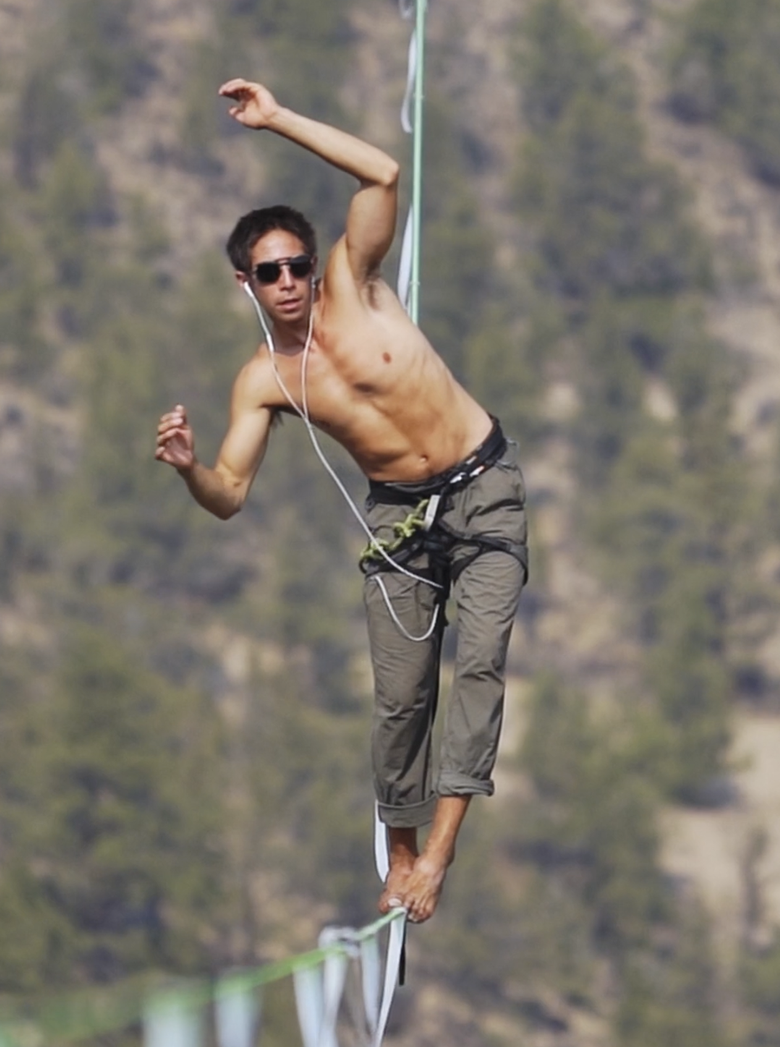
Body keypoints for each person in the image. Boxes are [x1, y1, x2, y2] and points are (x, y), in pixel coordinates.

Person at [153, 79, 529, 925]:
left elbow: (383, 173)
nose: (288, 283)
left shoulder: (353, 286)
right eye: (268, 273)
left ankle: (437, 854)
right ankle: (398, 850)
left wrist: (277, 117)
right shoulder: (264, 381)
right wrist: (186, 468)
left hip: (484, 491)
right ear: (244, 283)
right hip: (400, 520)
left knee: (478, 666)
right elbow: (230, 495)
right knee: (402, 699)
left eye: (294, 265)